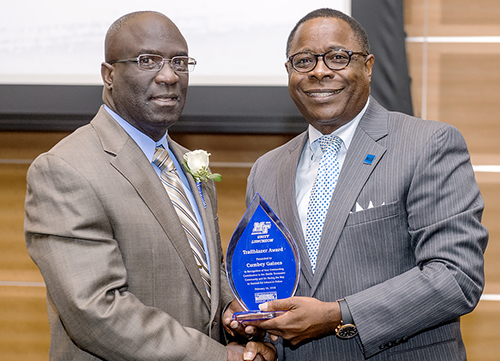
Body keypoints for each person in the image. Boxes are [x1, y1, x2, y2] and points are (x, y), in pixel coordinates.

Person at [224, 8, 488, 361]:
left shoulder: (427, 144)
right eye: (304, 61)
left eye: (337, 57)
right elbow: (274, 281)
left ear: (368, 66)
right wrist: (258, 332)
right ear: (289, 72)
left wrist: (337, 315)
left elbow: (456, 277)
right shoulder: (266, 170)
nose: (319, 71)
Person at [24, 11, 275, 361]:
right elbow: (96, 311)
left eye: (180, 61)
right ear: (108, 74)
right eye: (147, 61)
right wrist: (220, 357)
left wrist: (231, 310)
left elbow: (201, 271)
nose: (170, 75)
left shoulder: (187, 163)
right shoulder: (65, 169)